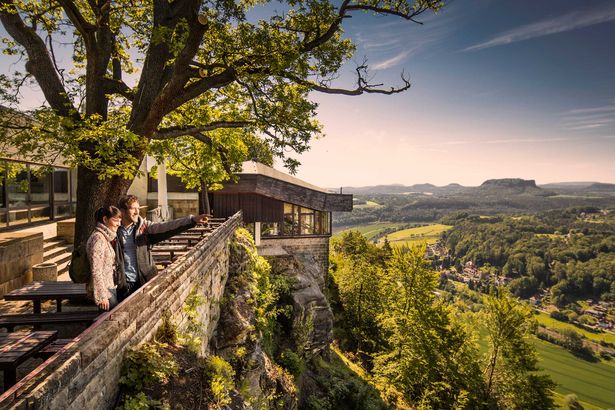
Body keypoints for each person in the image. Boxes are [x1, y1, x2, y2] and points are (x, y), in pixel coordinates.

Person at [116, 195, 209, 301]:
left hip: (144, 281)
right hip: (122, 285)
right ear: (122, 211)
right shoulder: (112, 230)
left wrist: (192, 220)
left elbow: (167, 226)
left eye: (138, 208)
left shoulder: (144, 228)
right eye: (133, 208)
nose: (137, 212)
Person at [86, 206, 123, 311]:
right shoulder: (98, 238)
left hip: (109, 287)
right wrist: (102, 296)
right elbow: (96, 269)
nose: (118, 224)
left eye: (120, 220)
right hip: (105, 291)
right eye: (115, 220)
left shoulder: (105, 237)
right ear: (105, 219)